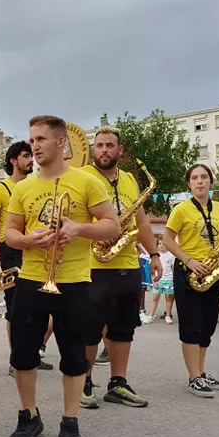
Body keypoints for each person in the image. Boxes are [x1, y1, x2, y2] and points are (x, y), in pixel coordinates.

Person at [4, 115, 120, 437]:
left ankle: (70, 421)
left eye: (41, 139)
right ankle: (29, 415)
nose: (35, 146)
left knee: (73, 354)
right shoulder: (23, 188)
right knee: (23, 354)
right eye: (31, 141)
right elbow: (9, 233)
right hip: (31, 279)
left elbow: (112, 226)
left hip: (73, 281)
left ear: (60, 142)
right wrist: (28, 240)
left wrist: (78, 229)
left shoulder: (85, 182)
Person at [78, 126, 160, 410]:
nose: (104, 150)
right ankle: (84, 382)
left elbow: (142, 221)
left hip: (127, 263)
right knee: (89, 329)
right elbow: (71, 218)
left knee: (123, 328)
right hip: (92, 266)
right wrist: (97, 233)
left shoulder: (128, 180)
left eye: (109, 145)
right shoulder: (82, 176)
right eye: (99, 145)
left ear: (120, 150)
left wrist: (154, 254)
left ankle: (118, 383)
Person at [161, 165, 219, 398]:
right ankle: (193, 377)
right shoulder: (181, 209)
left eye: (204, 177)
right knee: (191, 324)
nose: (199, 181)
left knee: (207, 324)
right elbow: (167, 239)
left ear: (211, 181)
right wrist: (189, 260)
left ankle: (201, 372)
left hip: (211, 270)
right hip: (188, 270)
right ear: (188, 184)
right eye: (194, 178)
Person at [0, 141, 53, 372]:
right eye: (26, 155)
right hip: (11, 250)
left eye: (31, 155)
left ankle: (32, 352)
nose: (31, 160)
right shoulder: (1, 189)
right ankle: (17, 359)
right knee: (16, 307)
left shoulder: (36, 186)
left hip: (35, 248)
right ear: (13, 160)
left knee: (39, 306)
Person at [146, 236, 175, 324]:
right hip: (158, 279)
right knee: (155, 298)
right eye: (159, 244)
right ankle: (151, 315)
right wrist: (153, 280)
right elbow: (152, 270)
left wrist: (173, 281)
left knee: (168, 298)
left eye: (164, 244)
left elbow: (173, 268)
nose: (162, 246)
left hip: (169, 279)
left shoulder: (171, 255)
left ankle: (168, 316)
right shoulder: (155, 256)